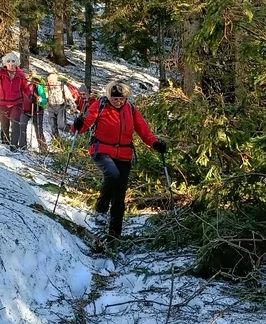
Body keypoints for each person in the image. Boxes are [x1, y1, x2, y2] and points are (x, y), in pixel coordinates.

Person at [70, 80, 166, 239]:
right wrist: (77, 124)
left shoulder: (131, 109)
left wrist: (155, 144)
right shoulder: (100, 105)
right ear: (109, 97)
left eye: (122, 99)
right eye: (115, 99)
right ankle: (100, 211)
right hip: (101, 149)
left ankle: (114, 235)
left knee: (120, 196)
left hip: (124, 154)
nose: (119, 102)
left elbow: (144, 131)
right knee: (112, 174)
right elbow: (84, 124)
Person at [0, 53, 29, 150]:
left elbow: (26, 88)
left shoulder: (20, 74)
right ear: (5, 63)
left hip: (16, 103)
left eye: (13, 63)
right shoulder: (1, 72)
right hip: (2, 102)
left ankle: (13, 146)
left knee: (15, 123)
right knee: (4, 124)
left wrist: (31, 96)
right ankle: (5, 143)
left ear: (16, 64)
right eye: (8, 62)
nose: (10, 65)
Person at [44, 73, 72, 141]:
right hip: (51, 106)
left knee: (61, 125)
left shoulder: (62, 86)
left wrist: (72, 105)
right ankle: (56, 140)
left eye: (51, 81)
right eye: (48, 81)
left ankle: (71, 130)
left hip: (60, 106)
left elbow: (69, 96)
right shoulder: (47, 87)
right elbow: (44, 96)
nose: (49, 83)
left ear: (55, 81)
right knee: (52, 124)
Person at [25, 74, 49, 153]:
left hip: (38, 109)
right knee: (37, 128)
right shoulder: (28, 86)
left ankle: (43, 148)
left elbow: (44, 100)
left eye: (36, 81)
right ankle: (42, 148)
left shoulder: (40, 88)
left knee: (38, 129)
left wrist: (40, 100)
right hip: (29, 109)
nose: (34, 82)